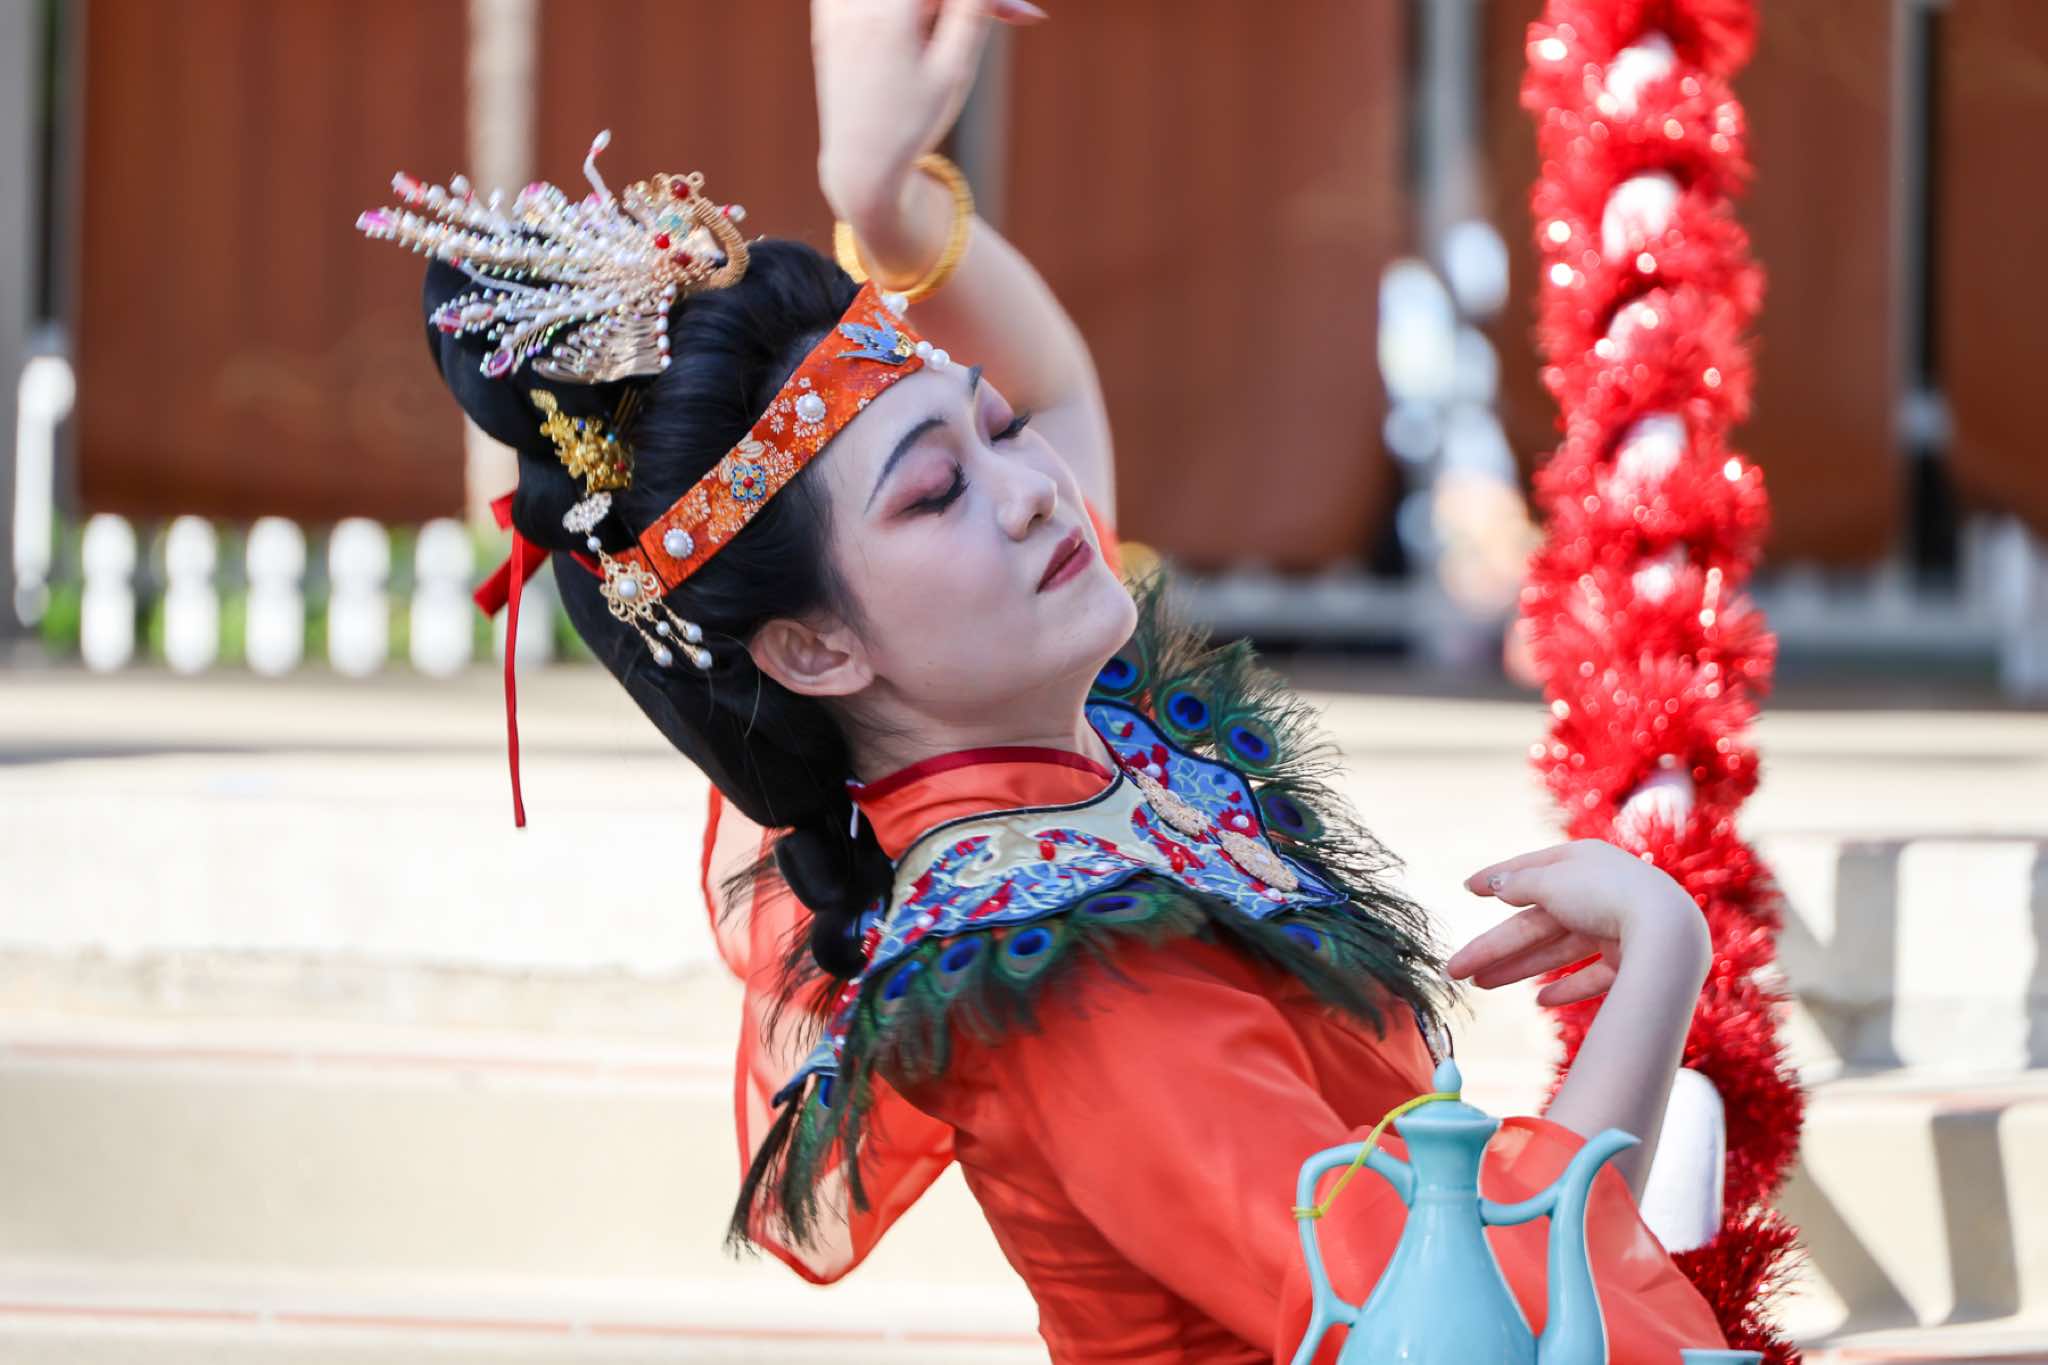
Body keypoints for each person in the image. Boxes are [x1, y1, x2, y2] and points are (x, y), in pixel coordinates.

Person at [361, 2, 1734, 1359]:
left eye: (998, 428)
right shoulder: (1073, 969)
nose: (1034, 491)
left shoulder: (1055, 761)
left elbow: (1061, 383)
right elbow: (1451, 1334)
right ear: (817, 648)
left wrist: (884, 201)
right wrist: (1657, 963)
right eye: (937, 490)